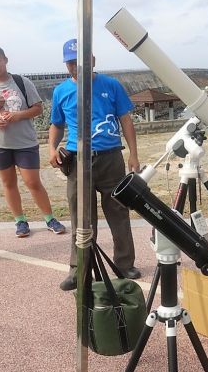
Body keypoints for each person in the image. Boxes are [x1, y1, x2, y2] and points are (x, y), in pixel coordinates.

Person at [48, 39, 141, 290]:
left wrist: (133, 154)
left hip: (111, 157)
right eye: (71, 62)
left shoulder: (111, 85)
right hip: (78, 160)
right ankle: (78, 270)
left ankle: (125, 264)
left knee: (119, 212)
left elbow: (126, 119)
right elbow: (56, 124)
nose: (76, 66)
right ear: (66, 63)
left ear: (93, 60)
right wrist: (51, 148)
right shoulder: (61, 91)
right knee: (81, 218)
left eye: (82, 60)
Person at [0, 45, 66, 238]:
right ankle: (20, 221)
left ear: (5, 59)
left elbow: (37, 109)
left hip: (24, 142)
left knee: (33, 182)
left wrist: (17, 115)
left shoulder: (22, 83)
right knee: (8, 183)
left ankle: (49, 218)